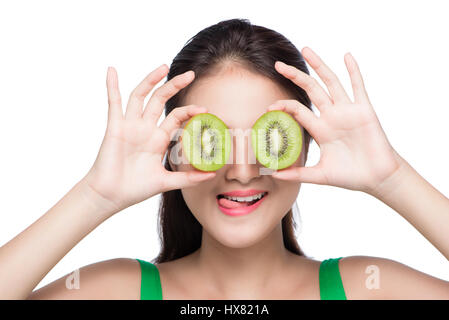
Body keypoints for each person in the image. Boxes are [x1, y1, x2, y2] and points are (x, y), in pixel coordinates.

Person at [1, 18, 448, 300]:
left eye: (268, 139)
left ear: (308, 144)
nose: (240, 170)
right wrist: (94, 196)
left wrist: (391, 178)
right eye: (209, 141)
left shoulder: (370, 289)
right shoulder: (117, 291)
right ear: (172, 153)